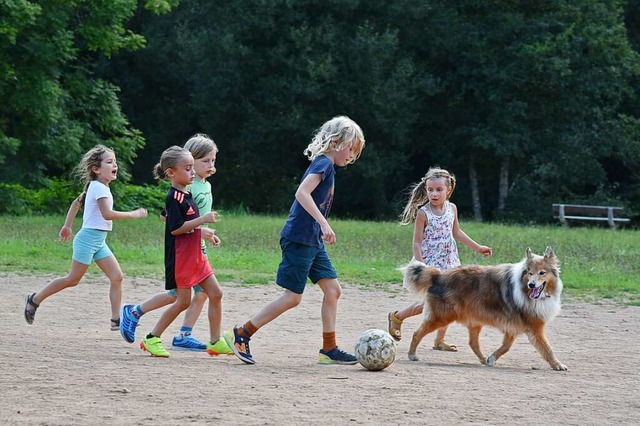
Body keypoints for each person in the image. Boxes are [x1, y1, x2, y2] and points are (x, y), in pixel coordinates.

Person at [224, 115, 365, 365]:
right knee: (293, 297)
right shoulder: (323, 164)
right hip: (300, 239)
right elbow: (302, 193)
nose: (352, 156)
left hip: (312, 241)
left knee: (333, 291)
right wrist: (323, 222)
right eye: (351, 149)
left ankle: (329, 349)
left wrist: (319, 228)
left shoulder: (327, 166)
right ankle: (242, 333)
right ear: (335, 142)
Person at [119, 134, 225, 353]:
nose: (207, 166)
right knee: (181, 298)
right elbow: (174, 224)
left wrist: (202, 232)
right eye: (203, 161)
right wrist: (202, 225)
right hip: (183, 255)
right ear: (174, 171)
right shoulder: (178, 194)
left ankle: (214, 342)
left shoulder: (192, 189)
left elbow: (188, 222)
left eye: (212, 160)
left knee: (213, 293)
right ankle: (150, 332)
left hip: (197, 251)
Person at [23, 145, 148, 330]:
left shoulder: (96, 186)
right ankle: (34, 299)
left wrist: (67, 226)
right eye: (109, 161)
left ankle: (115, 320)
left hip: (98, 241)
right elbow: (107, 214)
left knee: (117, 277)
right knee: (72, 279)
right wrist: (133, 214)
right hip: (88, 239)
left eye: (115, 161)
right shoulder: (99, 188)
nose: (115, 164)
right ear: (96, 169)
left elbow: (76, 203)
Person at [388, 166, 493, 351]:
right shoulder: (423, 213)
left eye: (439, 190)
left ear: (448, 190)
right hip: (430, 265)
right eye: (430, 190)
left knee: (449, 302)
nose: (434, 194)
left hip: (450, 263)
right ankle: (397, 317)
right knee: (430, 303)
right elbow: (416, 243)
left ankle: (439, 340)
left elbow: (457, 232)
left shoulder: (452, 208)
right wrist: (421, 265)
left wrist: (478, 248)